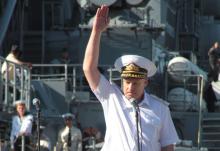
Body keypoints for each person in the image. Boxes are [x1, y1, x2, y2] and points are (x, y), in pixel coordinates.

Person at [83, 5, 179, 151]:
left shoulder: (160, 109)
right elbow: (88, 69)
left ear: (145, 82)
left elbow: (167, 146)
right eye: (127, 82)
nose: (130, 87)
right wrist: (96, 32)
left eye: (135, 83)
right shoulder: (111, 97)